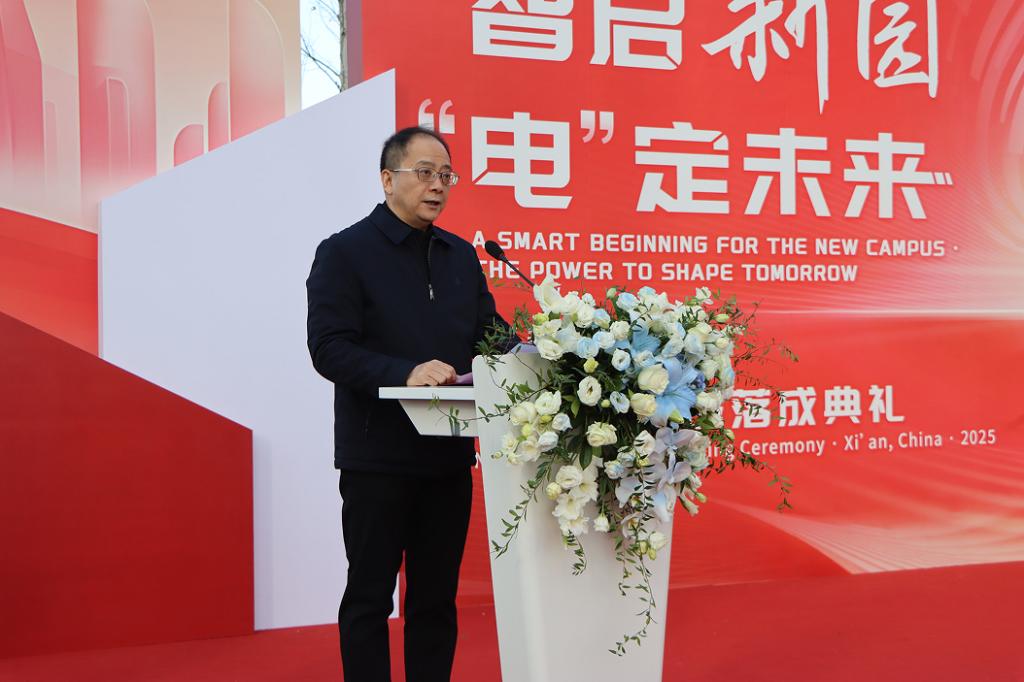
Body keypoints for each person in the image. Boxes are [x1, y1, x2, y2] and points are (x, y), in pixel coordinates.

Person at [306, 126, 509, 682]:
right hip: (377, 457)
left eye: (446, 175)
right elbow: (329, 348)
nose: (437, 185)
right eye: (424, 173)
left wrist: (545, 352)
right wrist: (404, 373)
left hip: (447, 457)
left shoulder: (460, 256)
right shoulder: (345, 252)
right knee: (370, 597)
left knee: (436, 600)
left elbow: (490, 337)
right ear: (387, 179)